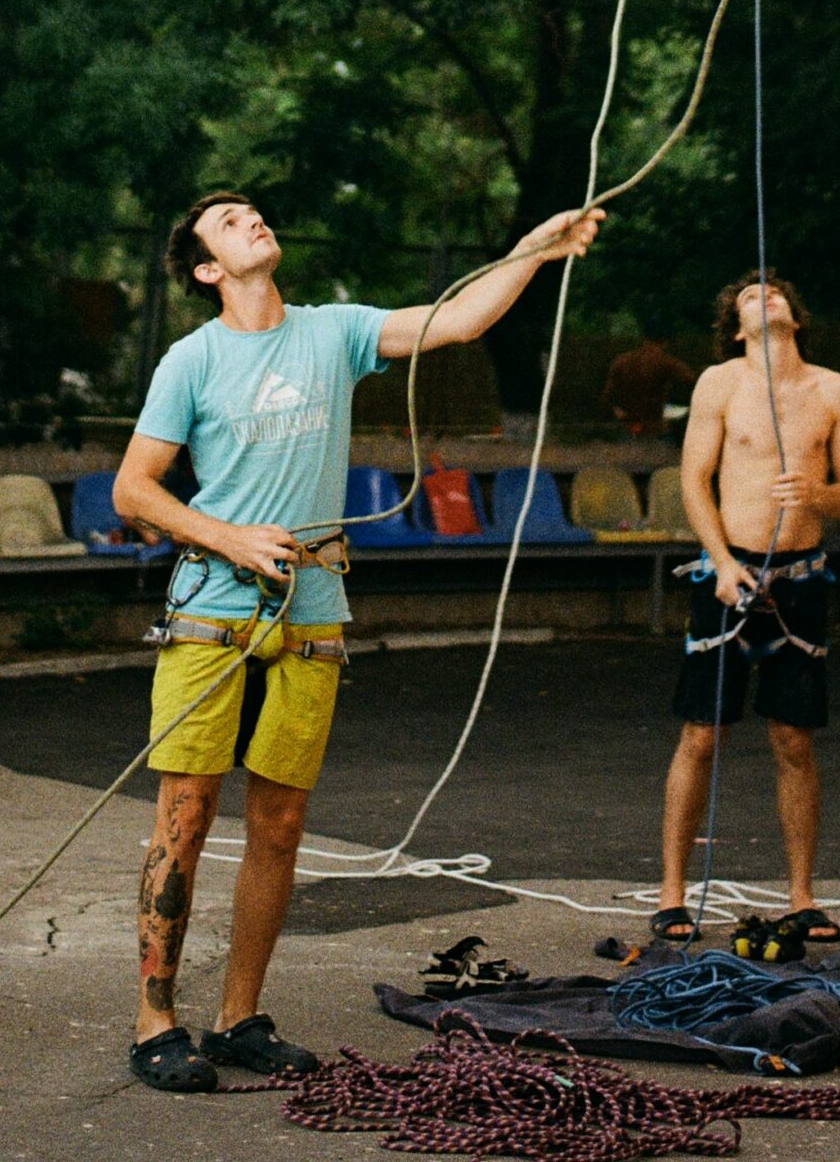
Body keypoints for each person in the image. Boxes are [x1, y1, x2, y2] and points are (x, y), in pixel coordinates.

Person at [112, 190, 603, 1094]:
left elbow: (455, 321)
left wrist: (532, 248)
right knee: (183, 820)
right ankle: (155, 1021)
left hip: (313, 610)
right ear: (206, 269)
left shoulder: (333, 330)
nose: (254, 218)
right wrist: (227, 536)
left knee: (282, 822)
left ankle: (238, 1018)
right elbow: (134, 491)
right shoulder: (191, 358)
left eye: (257, 210)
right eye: (229, 222)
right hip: (213, 611)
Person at [653, 272, 840, 945]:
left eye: (773, 293)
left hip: (799, 578)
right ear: (738, 326)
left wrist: (815, 493)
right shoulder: (718, 383)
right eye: (748, 296)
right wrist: (718, 562)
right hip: (729, 570)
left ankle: (800, 896)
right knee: (700, 734)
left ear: (794, 319)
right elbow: (693, 479)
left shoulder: (835, 391)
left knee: (792, 740)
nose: (763, 296)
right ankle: (671, 894)